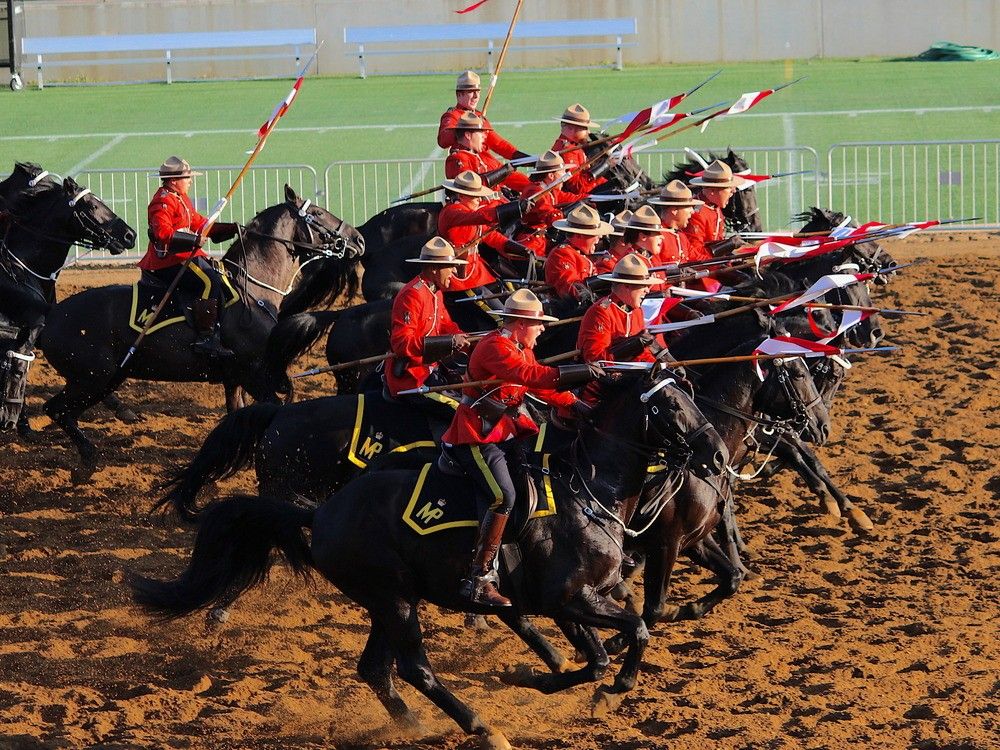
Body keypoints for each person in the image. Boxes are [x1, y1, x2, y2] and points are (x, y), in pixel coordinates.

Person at [440, 289, 601, 606]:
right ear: (520, 323)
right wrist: (578, 372)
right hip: (475, 434)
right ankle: (479, 578)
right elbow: (530, 375)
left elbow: (536, 384)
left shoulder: (517, 345)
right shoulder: (495, 347)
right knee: (504, 496)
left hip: (504, 430)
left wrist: (577, 404)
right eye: (538, 323)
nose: (542, 329)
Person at [138, 156, 239, 358]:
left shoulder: (180, 197)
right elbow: (162, 234)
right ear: (174, 180)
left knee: (220, 274)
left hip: (185, 255)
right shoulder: (162, 201)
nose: (191, 181)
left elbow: (197, 222)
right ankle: (206, 338)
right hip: (168, 261)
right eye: (188, 177)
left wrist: (230, 229)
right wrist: (192, 241)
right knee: (210, 281)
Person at [385, 237, 471, 427]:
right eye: (450, 267)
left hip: (431, 370)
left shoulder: (435, 291)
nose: (455, 271)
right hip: (412, 379)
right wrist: (449, 342)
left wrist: (465, 338)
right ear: (434, 269)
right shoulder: (412, 294)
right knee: (463, 414)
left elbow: (445, 324)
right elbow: (401, 344)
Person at [437, 170, 526, 293]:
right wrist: (513, 209)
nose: (480, 199)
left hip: (477, 273)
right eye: (475, 196)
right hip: (459, 277)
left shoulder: (467, 213)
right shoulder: (451, 212)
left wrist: (518, 248)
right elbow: (478, 217)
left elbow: (491, 236)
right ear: (461, 196)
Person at [577, 253, 660, 369]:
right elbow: (595, 360)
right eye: (643, 286)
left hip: (633, 376)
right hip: (603, 381)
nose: (647, 290)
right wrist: (630, 347)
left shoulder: (637, 311)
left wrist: (658, 366)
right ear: (626, 286)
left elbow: (643, 354)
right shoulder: (601, 312)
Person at [437, 70, 528, 161]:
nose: (476, 96)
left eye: (478, 91)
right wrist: (468, 127)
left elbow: (499, 144)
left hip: (486, 165)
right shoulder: (452, 115)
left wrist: (526, 159)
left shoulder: (479, 116)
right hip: (469, 170)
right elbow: (443, 141)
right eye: (471, 92)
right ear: (459, 94)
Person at [515, 149, 589, 258]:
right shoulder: (535, 191)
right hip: (532, 244)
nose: (565, 175)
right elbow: (552, 218)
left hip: (543, 241)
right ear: (551, 176)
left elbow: (572, 198)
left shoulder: (550, 190)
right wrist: (579, 205)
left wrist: (593, 198)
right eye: (562, 171)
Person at [444, 113, 531, 194]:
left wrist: (535, 186)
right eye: (480, 132)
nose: (484, 136)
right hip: (480, 208)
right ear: (468, 135)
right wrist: (502, 172)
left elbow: (513, 178)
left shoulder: (484, 156)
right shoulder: (457, 159)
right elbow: (470, 187)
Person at [543, 204, 612, 305]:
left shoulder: (580, 254)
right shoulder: (562, 254)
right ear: (579, 235)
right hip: (567, 312)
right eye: (595, 234)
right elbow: (571, 290)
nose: (600, 237)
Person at [682, 160, 743, 262]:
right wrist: (727, 245)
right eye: (729, 188)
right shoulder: (696, 213)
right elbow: (695, 254)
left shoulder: (715, 207)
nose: (734, 191)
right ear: (712, 191)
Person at [551, 104, 612, 194]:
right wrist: (605, 165)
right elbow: (578, 187)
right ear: (573, 129)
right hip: (579, 199)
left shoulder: (570, 146)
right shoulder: (568, 151)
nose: (588, 132)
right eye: (585, 128)